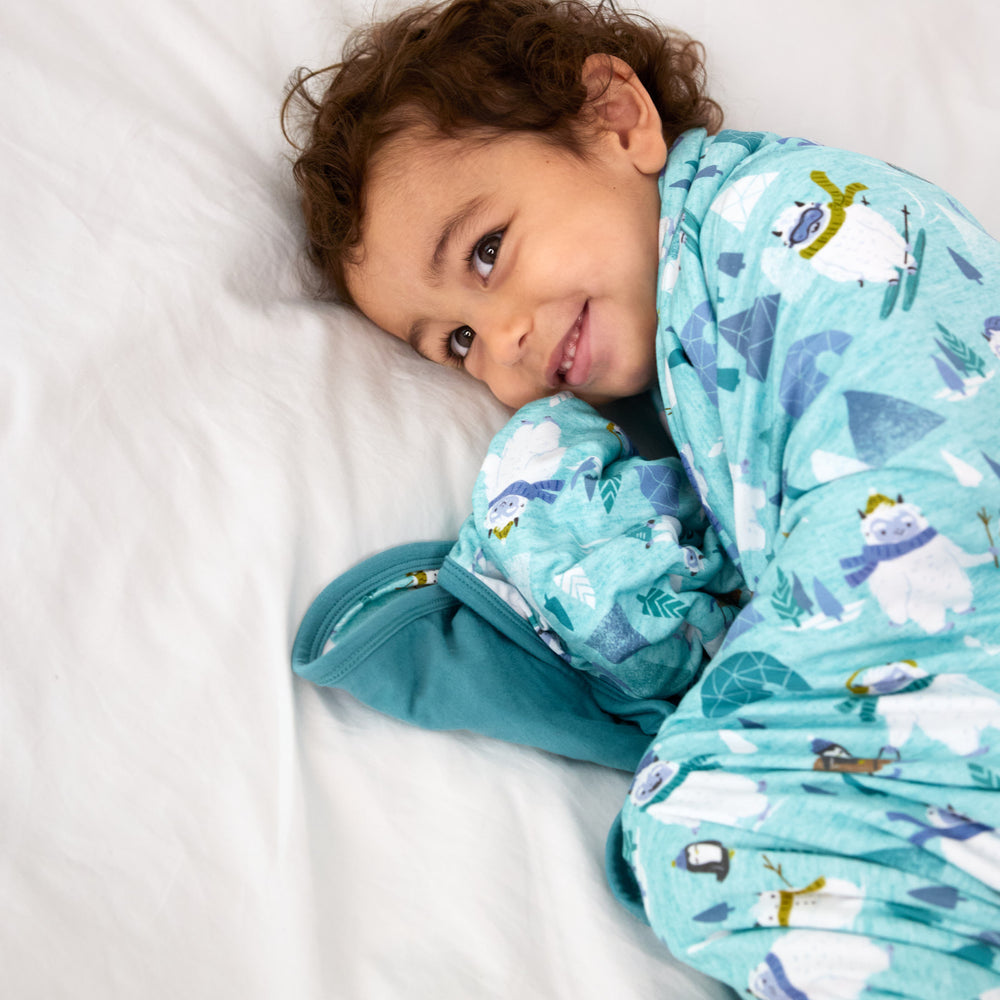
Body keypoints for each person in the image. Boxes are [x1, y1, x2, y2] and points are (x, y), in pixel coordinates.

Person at [284, 1, 1000, 996]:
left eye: (488, 253)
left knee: (703, 820)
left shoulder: (774, 216)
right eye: (454, 342)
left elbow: (921, 433)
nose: (501, 347)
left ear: (617, 120)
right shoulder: (685, 381)